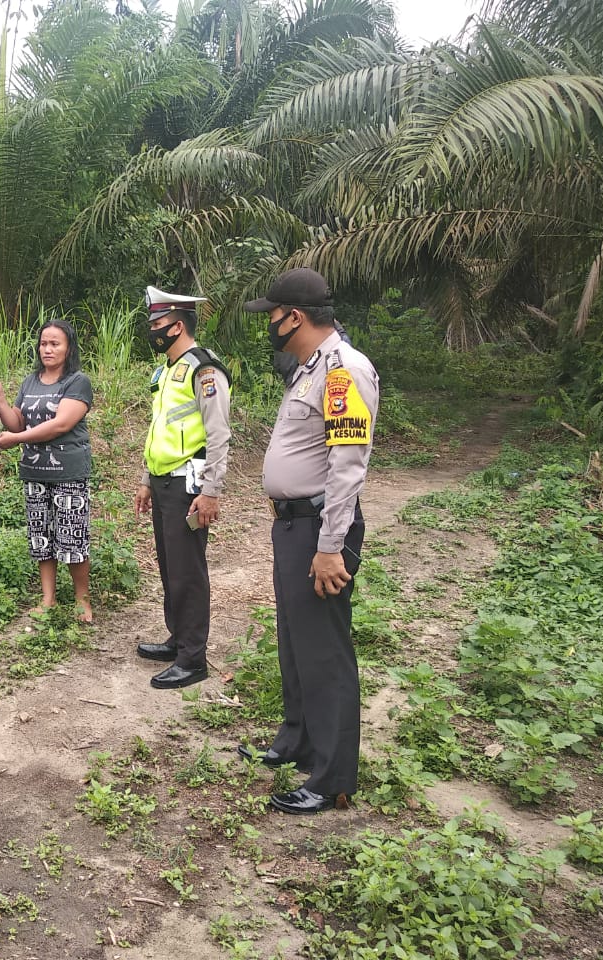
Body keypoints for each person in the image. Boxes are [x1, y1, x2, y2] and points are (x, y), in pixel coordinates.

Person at [241, 267, 379, 815]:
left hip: (321, 528)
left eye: (272, 316)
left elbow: (348, 466)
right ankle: (296, 739)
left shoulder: (344, 372)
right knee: (295, 641)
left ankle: (331, 778)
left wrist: (329, 546)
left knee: (324, 651)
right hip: (293, 524)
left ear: (294, 317)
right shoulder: (310, 369)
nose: (269, 324)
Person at [134, 286, 232, 690]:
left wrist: (211, 491)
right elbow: (160, 429)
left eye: (157, 324)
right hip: (163, 481)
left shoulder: (204, 370)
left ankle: (193, 659)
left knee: (188, 570)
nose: (152, 330)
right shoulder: (168, 371)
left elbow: (219, 433)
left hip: (190, 486)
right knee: (170, 565)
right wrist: (145, 480)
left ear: (177, 326)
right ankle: (178, 639)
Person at [0, 319, 94, 623]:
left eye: (55, 343)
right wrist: (0, 400)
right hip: (35, 473)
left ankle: (81, 601)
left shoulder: (77, 381)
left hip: (69, 473)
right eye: (44, 343)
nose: (47, 349)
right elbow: (16, 423)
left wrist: (16, 440)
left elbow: (60, 424)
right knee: (42, 537)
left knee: (73, 537)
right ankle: (48, 599)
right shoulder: (30, 382)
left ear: (68, 348)